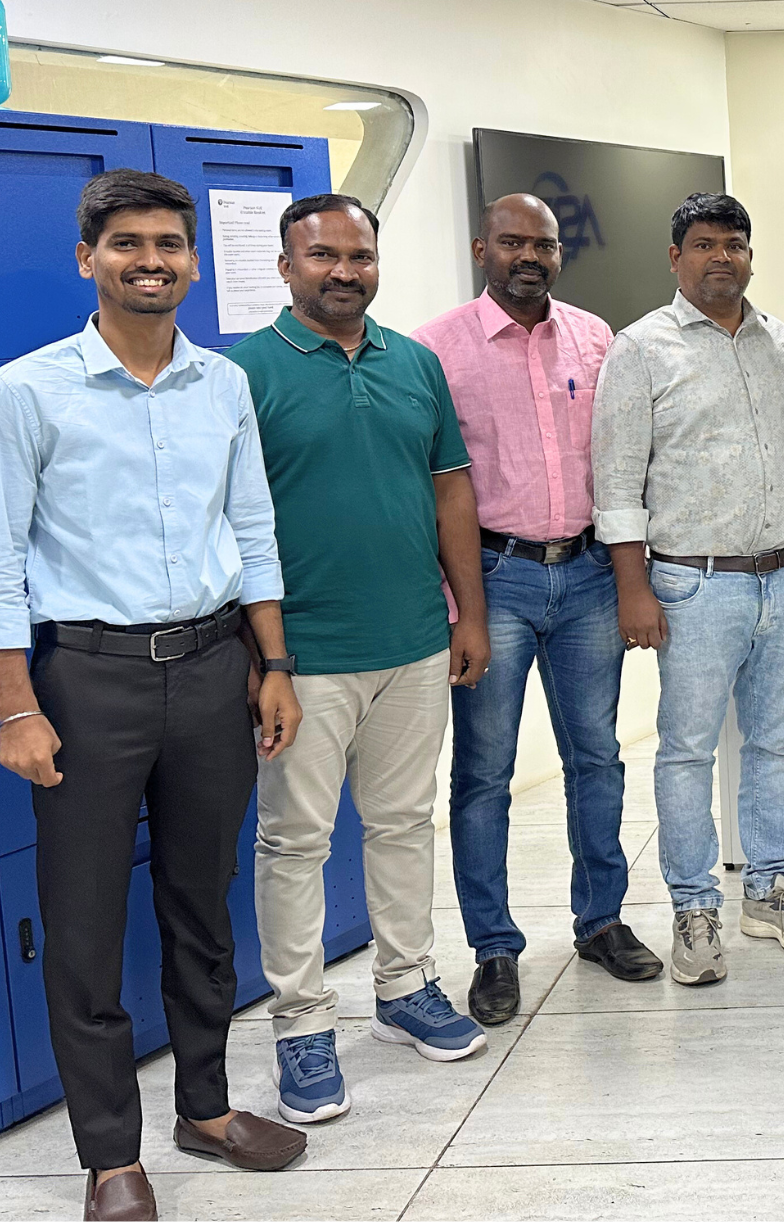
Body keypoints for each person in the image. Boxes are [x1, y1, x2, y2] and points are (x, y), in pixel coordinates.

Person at [0, 170, 307, 1221]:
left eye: (169, 244)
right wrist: (19, 707)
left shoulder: (224, 385)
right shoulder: (25, 390)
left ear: (194, 263)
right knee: (84, 925)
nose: (151, 261)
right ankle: (112, 1156)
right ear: (88, 259)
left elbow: (253, 531)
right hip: (84, 681)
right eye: (127, 245)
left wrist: (274, 663)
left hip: (213, 670)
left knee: (203, 907)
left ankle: (205, 1108)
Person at [231, 193, 492, 1126]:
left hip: (415, 640)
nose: (344, 270)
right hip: (302, 658)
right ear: (286, 265)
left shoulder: (414, 362)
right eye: (323, 255)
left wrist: (467, 610)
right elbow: (232, 520)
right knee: (294, 843)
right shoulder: (242, 373)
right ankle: (301, 1023)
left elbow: (450, 492)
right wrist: (269, 659)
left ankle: (405, 985)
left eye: (360, 255)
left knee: (403, 822)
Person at [414, 195, 661, 1026]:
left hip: (588, 571)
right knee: (483, 775)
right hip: (494, 578)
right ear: (482, 246)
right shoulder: (437, 349)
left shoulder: (598, 339)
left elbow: (627, 462)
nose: (529, 255)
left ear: (560, 253)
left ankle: (601, 920)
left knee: (598, 757)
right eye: (513, 242)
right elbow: (430, 486)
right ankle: (493, 947)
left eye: (544, 244)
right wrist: (460, 604)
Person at [593, 191, 784, 987]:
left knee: (774, 744)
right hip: (693, 587)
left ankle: (767, 888)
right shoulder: (640, 348)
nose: (720, 256)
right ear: (675, 257)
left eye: (734, 243)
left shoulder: (778, 342)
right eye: (703, 244)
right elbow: (618, 480)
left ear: (750, 254)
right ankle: (694, 906)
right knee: (688, 752)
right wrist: (634, 587)